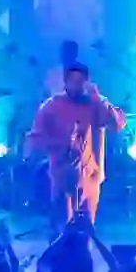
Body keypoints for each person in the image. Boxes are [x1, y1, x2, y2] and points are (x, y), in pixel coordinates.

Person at [26, 61, 126, 225]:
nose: (76, 85)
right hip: (62, 177)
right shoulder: (52, 106)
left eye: (80, 81)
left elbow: (117, 125)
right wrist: (59, 144)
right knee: (62, 227)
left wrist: (98, 99)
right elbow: (36, 138)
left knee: (85, 227)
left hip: (90, 179)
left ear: (86, 82)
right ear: (65, 82)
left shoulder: (96, 103)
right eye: (73, 81)